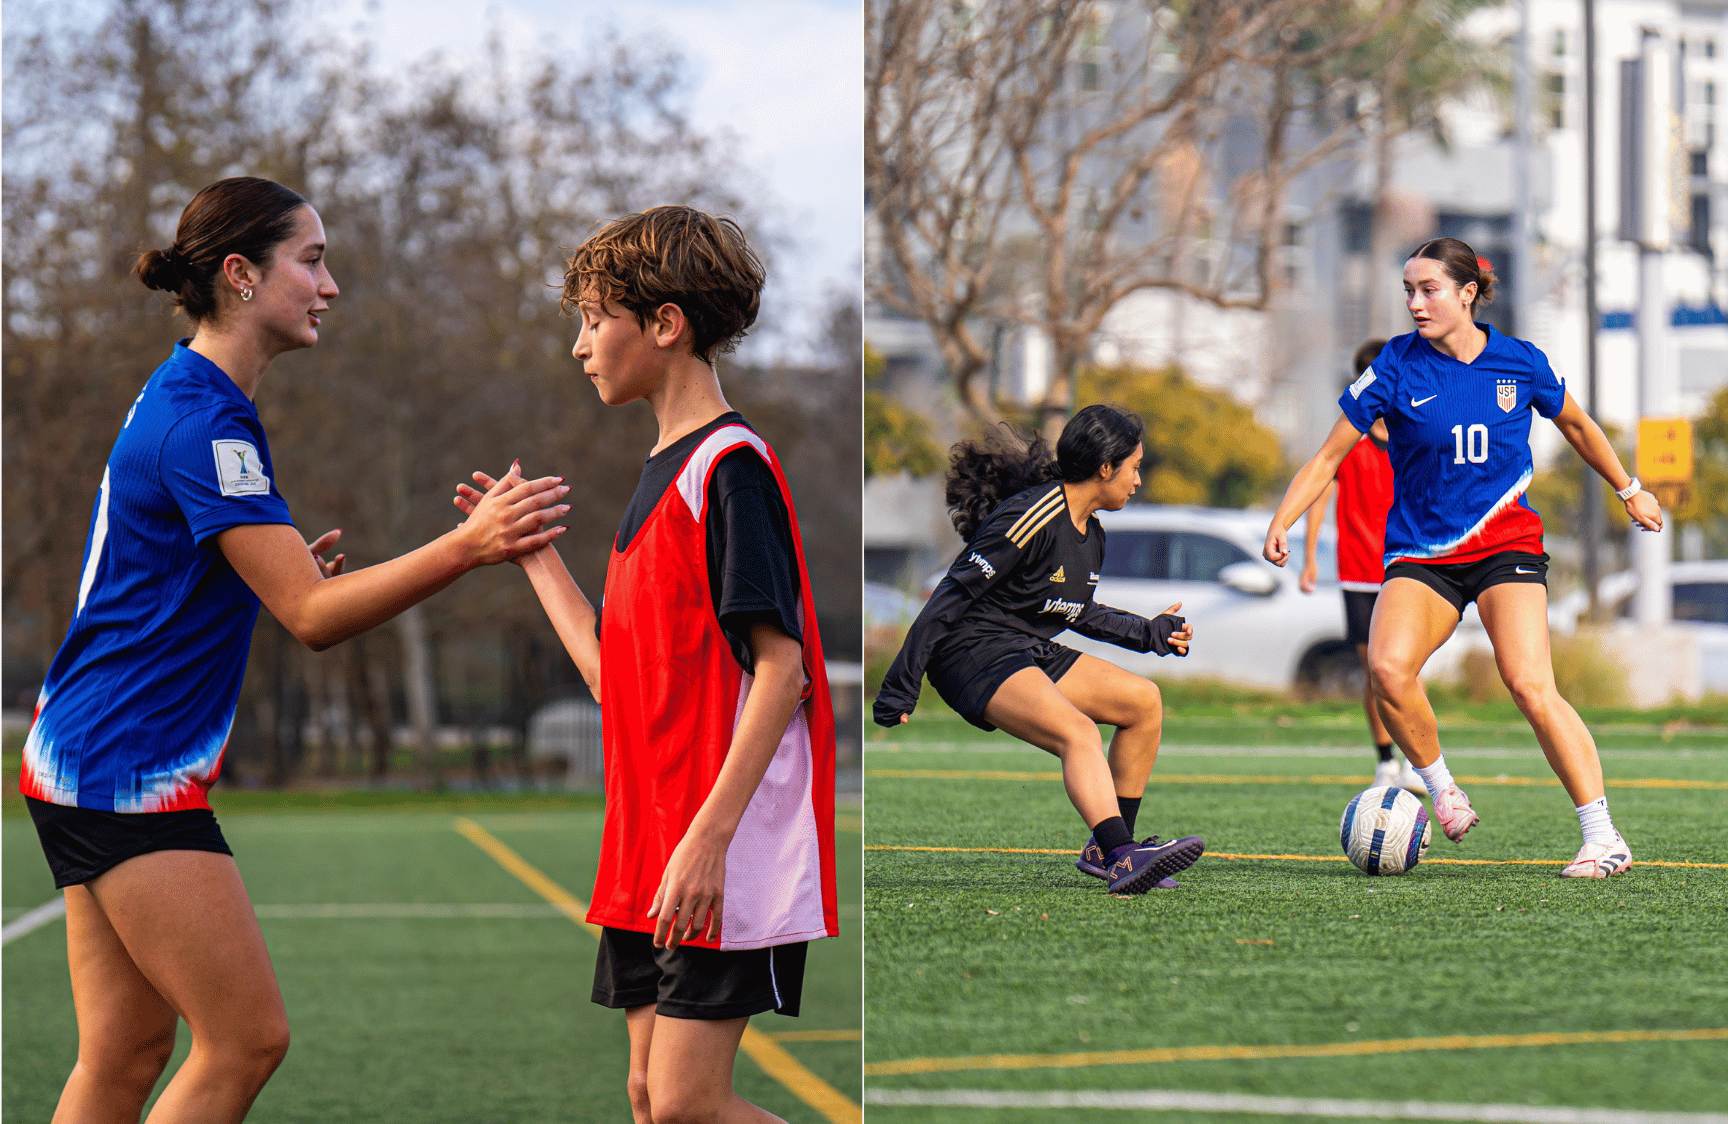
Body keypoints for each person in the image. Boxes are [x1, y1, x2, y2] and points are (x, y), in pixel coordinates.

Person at [21, 176, 566, 1124]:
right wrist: (469, 546)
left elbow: (179, 576)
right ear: (240, 274)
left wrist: (253, 575)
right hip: (124, 767)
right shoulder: (206, 420)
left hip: (83, 753)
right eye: (311, 261)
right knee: (244, 1040)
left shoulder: (189, 392)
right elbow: (313, 618)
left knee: (125, 1054)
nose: (331, 285)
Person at [456, 206, 837, 1124]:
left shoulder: (730, 468)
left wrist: (707, 842)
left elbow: (782, 676)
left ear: (665, 324)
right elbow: (612, 681)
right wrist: (532, 556)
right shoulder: (660, 470)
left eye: (594, 320)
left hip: (714, 846)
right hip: (646, 842)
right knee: (648, 1098)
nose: (582, 346)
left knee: (685, 1107)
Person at [1263, 238, 1660, 878]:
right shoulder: (1394, 364)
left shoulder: (1519, 361)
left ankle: (1602, 835)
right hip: (1423, 554)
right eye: (1409, 292)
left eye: (1429, 290)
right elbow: (1329, 456)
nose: (1416, 303)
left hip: (1507, 547)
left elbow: (1580, 428)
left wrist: (1630, 488)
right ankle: (1442, 786)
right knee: (1388, 671)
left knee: (1530, 685)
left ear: (1467, 292)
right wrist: (1283, 519)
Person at [872, 406, 1204, 895]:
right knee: (1078, 732)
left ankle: (1108, 849)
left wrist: (1149, 633)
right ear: (1105, 468)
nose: (1138, 481)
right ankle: (1122, 856)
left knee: (1143, 703)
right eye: (1134, 467)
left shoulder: (1091, 533)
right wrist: (903, 682)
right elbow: (951, 594)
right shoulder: (1032, 516)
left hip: (1022, 646)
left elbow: (1077, 611)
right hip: (971, 650)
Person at [1301, 338, 1427, 794]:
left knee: (1405, 670)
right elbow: (1319, 494)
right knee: (1374, 670)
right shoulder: (1348, 438)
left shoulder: (1416, 433)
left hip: (1408, 566)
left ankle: (1419, 761)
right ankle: (1385, 760)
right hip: (1357, 569)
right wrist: (1311, 557)